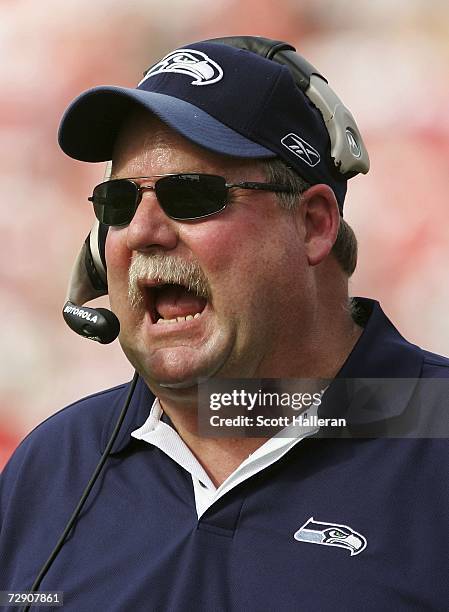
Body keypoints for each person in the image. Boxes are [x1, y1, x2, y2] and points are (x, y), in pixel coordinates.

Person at [1, 37, 448, 611]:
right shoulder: (52, 467)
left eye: (191, 195)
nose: (143, 232)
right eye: (118, 203)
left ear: (313, 225)